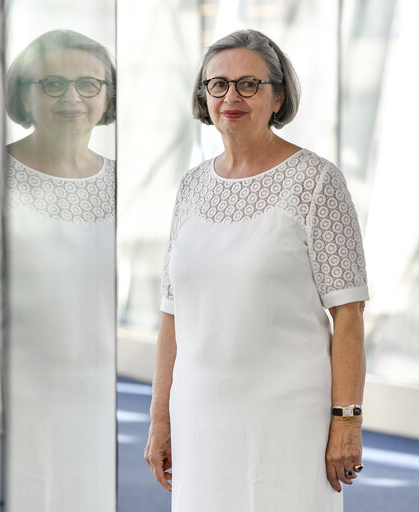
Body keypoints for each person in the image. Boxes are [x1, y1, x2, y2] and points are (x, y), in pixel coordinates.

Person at [145, 29, 368, 512]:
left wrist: (347, 420)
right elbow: (171, 315)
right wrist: (160, 420)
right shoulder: (191, 187)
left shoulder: (316, 181)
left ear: (278, 95)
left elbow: (348, 315)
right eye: (218, 84)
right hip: (198, 414)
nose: (231, 96)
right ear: (204, 95)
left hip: (290, 418)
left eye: (249, 84)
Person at [4, 29, 116, 511]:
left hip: (97, 390)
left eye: (88, 84)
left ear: (107, 95)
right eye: (51, 83)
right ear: (23, 93)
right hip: (14, 390)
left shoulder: (121, 180)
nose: (71, 97)